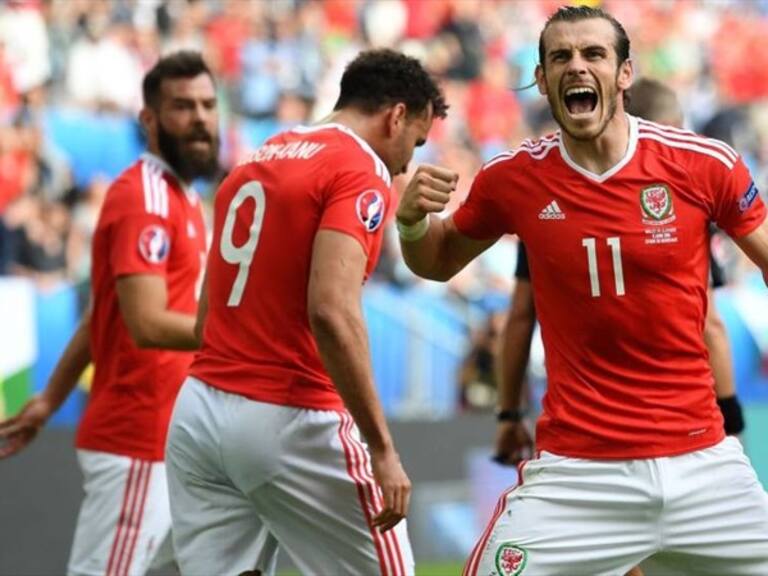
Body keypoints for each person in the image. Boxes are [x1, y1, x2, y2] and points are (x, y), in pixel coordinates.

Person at [396, 6, 768, 575]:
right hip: (578, 473)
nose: (577, 66)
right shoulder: (513, 179)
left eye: (594, 54)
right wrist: (413, 225)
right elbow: (439, 261)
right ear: (542, 79)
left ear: (623, 73)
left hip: (702, 463)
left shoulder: (702, 164)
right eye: (560, 57)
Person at [164, 48, 447, 576]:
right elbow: (332, 311)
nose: (408, 163)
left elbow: (207, 318)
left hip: (198, 412)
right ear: (396, 116)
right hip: (289, 417)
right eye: (416, 141)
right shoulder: (359, 167)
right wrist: (382, 449)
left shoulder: (258, 154)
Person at [0, 51, 217, 575]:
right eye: (182, 107)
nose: (201, 119)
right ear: (149, 119)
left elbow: (106, 313)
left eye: (208, 105)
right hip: (138, 438)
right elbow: (144, 323)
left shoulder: (181, 196)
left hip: (174, 439)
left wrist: (49, 397)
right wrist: (236, 336)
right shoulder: (144, 198)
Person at [495, 77, 745, 466]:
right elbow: (709, 322)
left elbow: (520, 317)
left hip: (581, 435)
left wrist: (509, 413)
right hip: (678, 430)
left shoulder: (550, 203)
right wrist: (730, 413)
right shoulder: (684, 202)